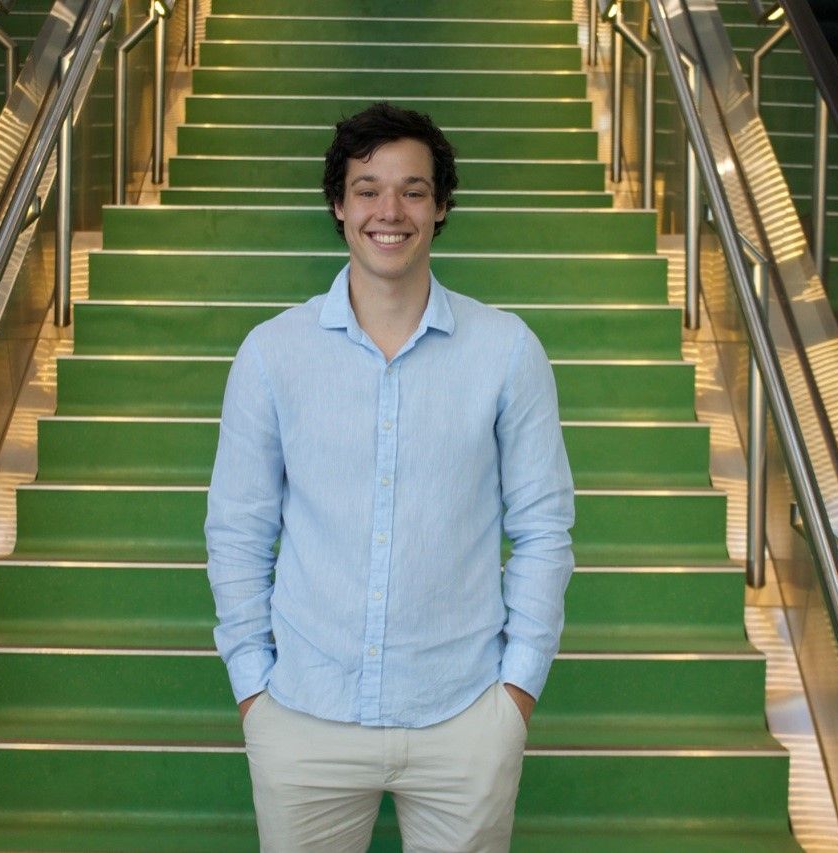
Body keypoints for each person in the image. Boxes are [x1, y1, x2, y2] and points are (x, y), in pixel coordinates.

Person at [205, 102, 576, 852]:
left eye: (413, 189)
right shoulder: (273, 352)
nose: (390, 210)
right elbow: (238, 528)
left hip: (464, 714)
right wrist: (254, 689)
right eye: (368, 187)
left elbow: (542, 525)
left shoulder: (506, 349)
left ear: (440, 207)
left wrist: (515, 693)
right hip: (303, 715)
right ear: (338, 204)